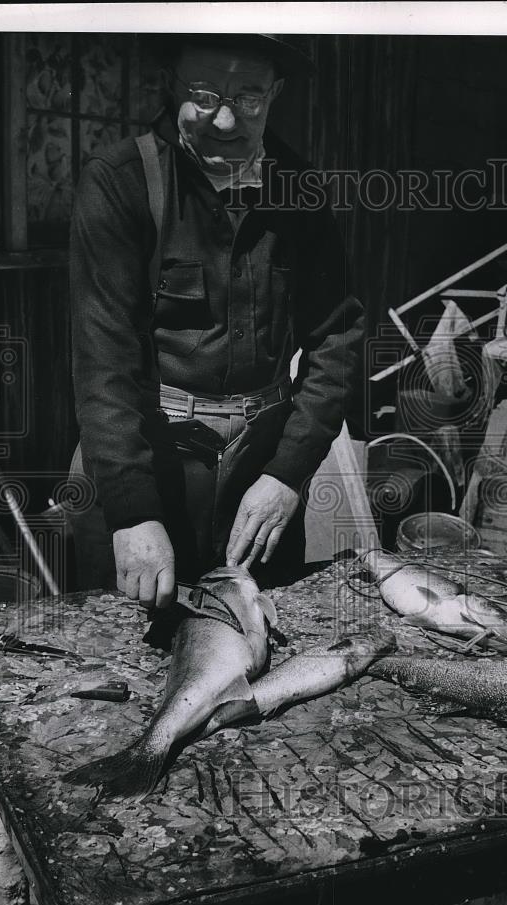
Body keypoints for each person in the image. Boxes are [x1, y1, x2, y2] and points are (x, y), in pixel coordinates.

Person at [69, 33, 364, 609]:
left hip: (261, 478)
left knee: (264, 650)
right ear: (170, 85)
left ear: (274, 93)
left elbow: (338, 341)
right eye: (203, 95)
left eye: (248, 97)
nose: (225, 120)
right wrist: (132, 510)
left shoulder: (301, 192)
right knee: (126, 662)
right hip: (150, 461)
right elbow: (103, 362)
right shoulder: (120, 182)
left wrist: (287, 475)